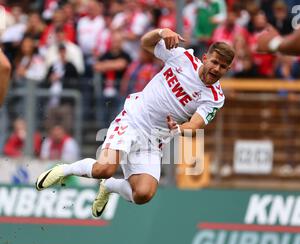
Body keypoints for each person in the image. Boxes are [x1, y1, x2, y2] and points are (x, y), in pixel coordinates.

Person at [35, 27, 235, 218]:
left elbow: (195, 126)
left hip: (154, 139)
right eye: (215, 62)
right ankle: (65, 170)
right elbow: (145, 43)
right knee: (103, 169)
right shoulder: (182, 58)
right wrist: (160, 33)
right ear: (206, 58)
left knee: (143, 194)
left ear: (228, 68)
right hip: (132, 120)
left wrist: (178, 128)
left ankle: (110, 186)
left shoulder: (215, 97)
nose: (217, 69)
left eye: (223, 66)